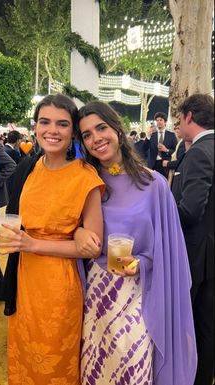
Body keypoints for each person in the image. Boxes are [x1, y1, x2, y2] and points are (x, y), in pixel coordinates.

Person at [74, 101, 197, 385]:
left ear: (117, 127)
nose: (96, 139)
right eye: (87, 135)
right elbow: (65, 229)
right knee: (96, 371)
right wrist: (78, 233)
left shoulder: (154, 185)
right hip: (95, 295)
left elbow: (169, 251)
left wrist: (141, 262)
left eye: (101, 128)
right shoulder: (84, 182)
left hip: (136, 297)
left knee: (133, 368)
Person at [0, 93, 104, 385]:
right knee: (24, 359)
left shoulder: (86, 177)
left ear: (72, 133)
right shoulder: (28, 168)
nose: (52, 131)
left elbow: (93, 247)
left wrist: (33, 243)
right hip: (23, 279)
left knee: (54, 363)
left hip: (60, 288)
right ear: (35, 127)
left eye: (62, 124)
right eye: (44, 122)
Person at [171, 93, 214, 385]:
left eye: (178, 118)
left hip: (199, 255)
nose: (177, 124)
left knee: (198, 325)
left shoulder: (199, 152)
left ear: (189, 117)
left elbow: (190, 209)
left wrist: (162, 215)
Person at [144, 112, 177, 177]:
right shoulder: (152, 135)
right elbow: (145, 148)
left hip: (165, 165)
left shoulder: (171, 135)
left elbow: (175, 152)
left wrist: (166, 150)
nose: (158, 122)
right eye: (157, 120)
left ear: (165, 122)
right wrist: (147, 136)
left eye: (161, 120)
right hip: (153, 165)